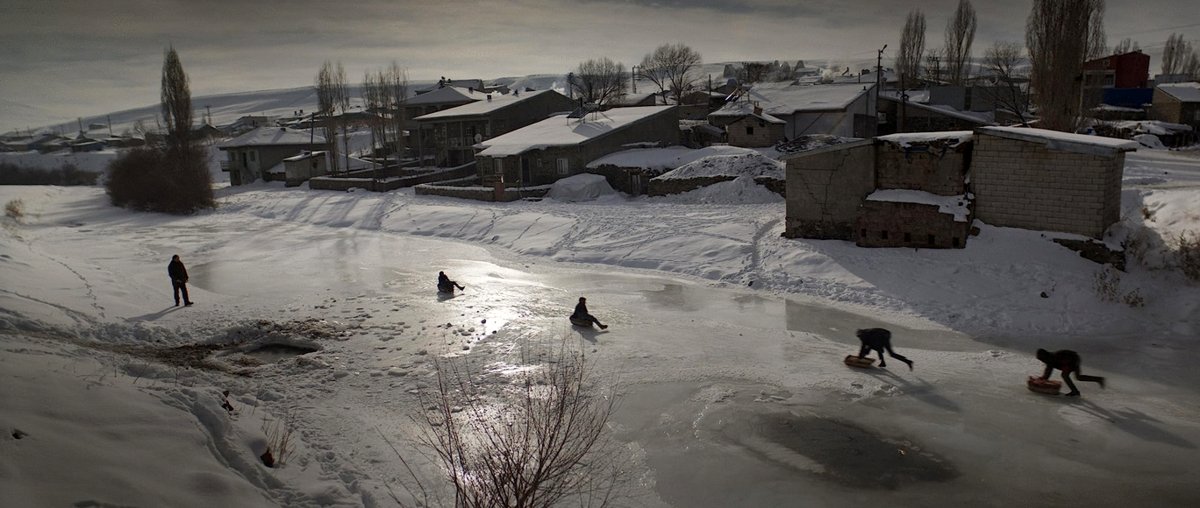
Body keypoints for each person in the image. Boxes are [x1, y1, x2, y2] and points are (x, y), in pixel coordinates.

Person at [1037, 349, 1105, 397]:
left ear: (1044, 357)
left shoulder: (1053, 357)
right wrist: (1044, 378)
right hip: (1074, 359)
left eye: (1041, 359)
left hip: (1073, 360)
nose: (1042, 361)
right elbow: (1048, 370)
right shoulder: (1049, 359)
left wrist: (1066, 365)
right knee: (1078, 377)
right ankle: (1099, 379)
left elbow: (1068, 357)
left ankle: (1075, 391)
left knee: (1064, 375)